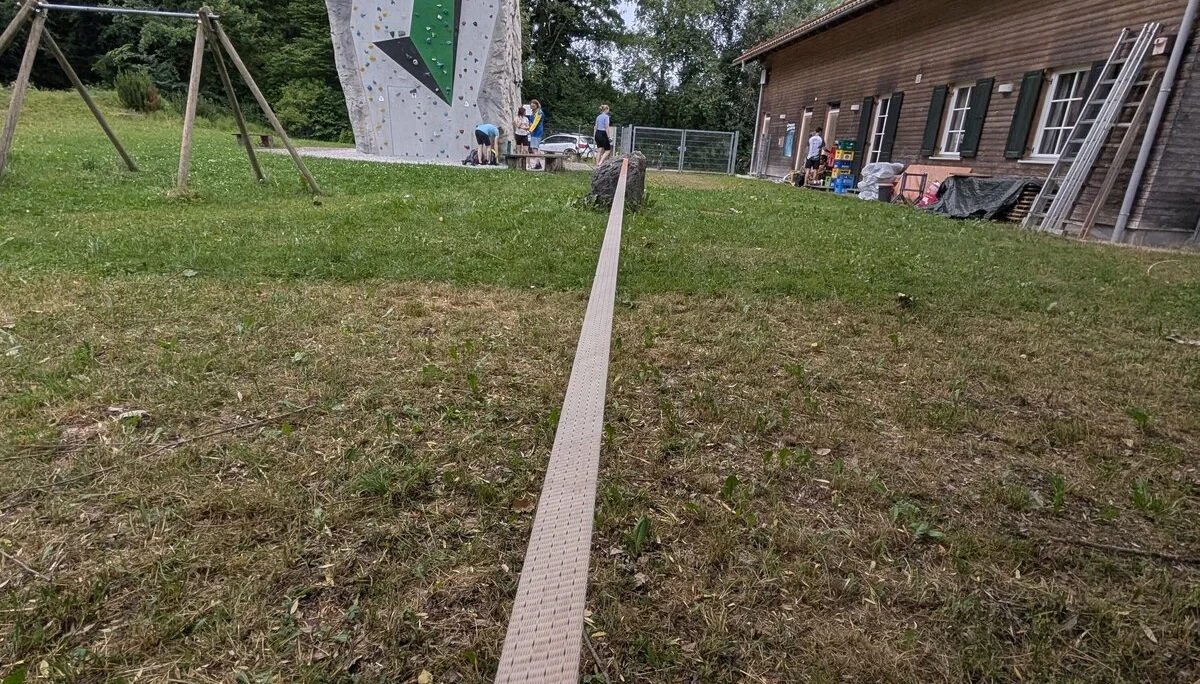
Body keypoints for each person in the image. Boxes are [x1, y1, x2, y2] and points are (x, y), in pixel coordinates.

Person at [528, 99, 545, 169]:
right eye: (531, 106)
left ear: (537, 105)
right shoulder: (533, 113)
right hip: (533, 132)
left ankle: (537, 164)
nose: (532, 108)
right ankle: (538, 163)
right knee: (534, 148)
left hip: (537, 132)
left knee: (535, 148)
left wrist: (530, 130)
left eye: (533, 106)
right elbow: (531, 121)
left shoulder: (539, 112)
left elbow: (536, 122)